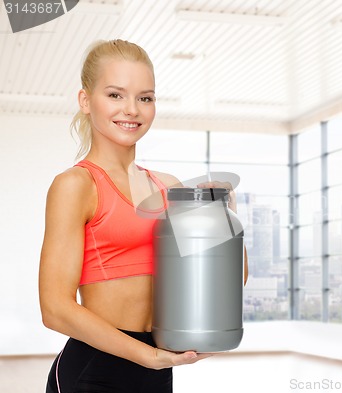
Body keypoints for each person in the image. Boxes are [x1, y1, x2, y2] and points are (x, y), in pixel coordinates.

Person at [39, 39, 248, 393]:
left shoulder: (168, 187)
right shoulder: (76, 184)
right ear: (86, 101)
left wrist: (223, 216)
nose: (132, 109)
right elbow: (55, 309)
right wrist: (146, 356)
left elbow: (229, 281)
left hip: (156, 368)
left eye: (145, 97)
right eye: (115, 95)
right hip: (94, 369)